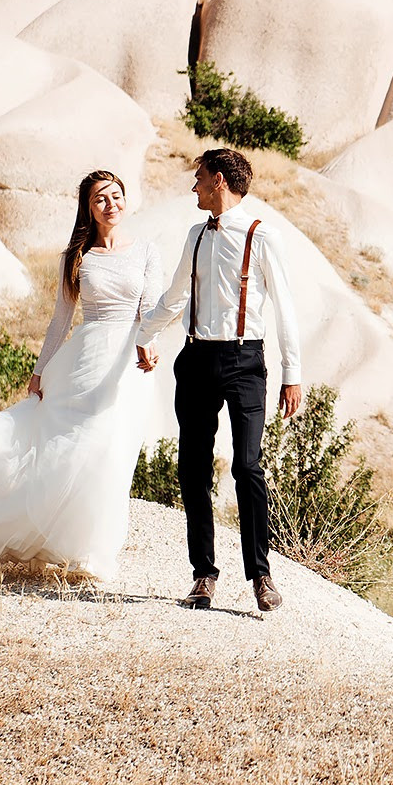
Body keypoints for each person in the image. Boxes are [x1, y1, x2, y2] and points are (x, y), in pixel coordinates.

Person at [0, 169, 162, 581]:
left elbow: (150, 308)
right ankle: (75, 546)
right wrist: (40, 370)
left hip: (132, 366)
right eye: (100, 198)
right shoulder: (77, 257)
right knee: (80, 445)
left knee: (115, 453)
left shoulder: (147, 251)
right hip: (87, 358)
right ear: (88, 208)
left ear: (126, 199)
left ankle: (93, 548)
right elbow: (59, 321)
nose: (110, 204)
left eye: (116, 195)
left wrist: (150, 342)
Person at [135, 147, 303, 613]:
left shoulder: (262, 236)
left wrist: (293, 373)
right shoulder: (195, 235)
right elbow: (175, 294)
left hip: (245, 361)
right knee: (192, 468)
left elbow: (286, 306)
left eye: (199, 179)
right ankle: (203, 574)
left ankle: (261, 575)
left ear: (220, 182)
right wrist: (142, 333)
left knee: (248, 466)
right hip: (194, 359)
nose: (194, 187)